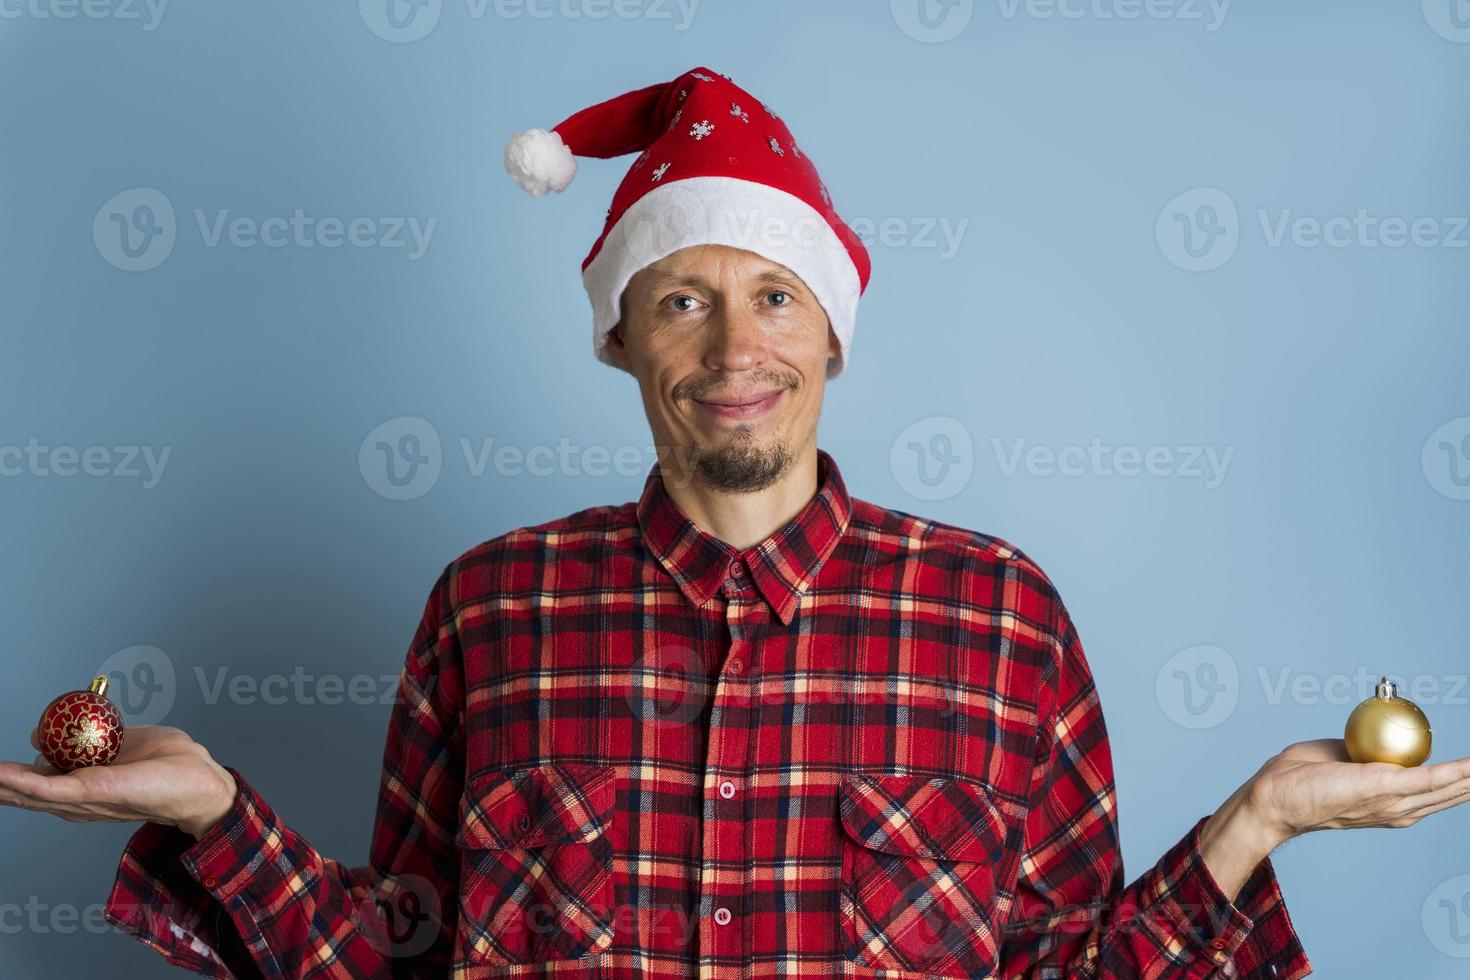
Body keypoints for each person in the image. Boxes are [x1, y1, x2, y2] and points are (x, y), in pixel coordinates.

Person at [4, 65, 1469, 980]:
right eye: (681, 302)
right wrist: (218, 816)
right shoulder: (489, 610)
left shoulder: (1000, 618)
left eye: (775, 298)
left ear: (832, 338)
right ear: (618, 342)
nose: (731, 350)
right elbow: (405, 952)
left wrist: (1256, 818)